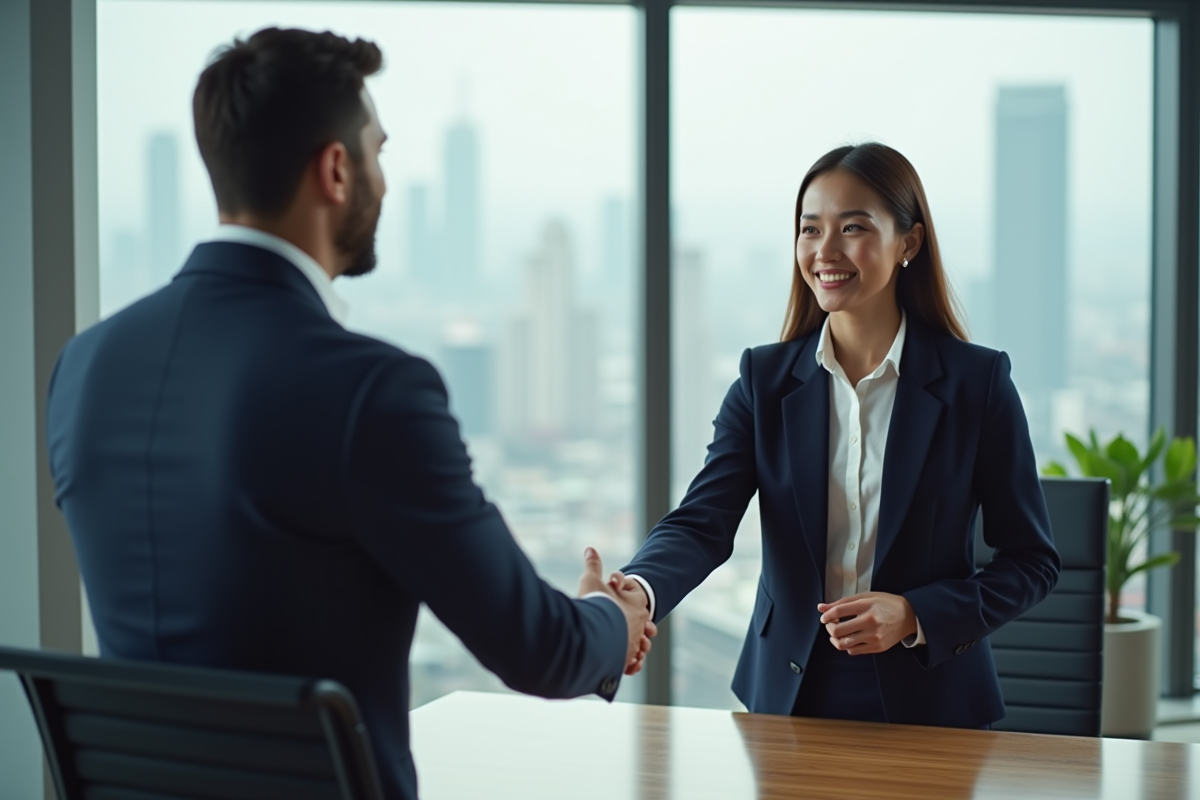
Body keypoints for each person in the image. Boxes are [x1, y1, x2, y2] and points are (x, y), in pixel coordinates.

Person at [45, 27, 652, 800]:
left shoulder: (85, 365)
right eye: (378, 151)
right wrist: (613, 618)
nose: (385, 182)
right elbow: (540, 649)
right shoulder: (370, 390)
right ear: (337, 169)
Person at [611, 143, 1060, 729]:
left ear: (909, 243)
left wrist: (914, 613)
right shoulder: (763, 381)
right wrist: (638, 593)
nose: (825, 251)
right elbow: (702, 523)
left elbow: (1032, 560)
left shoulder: (977, 384)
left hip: (932, 700)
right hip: (788, 692)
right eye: (810, 229)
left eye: (853, 228)